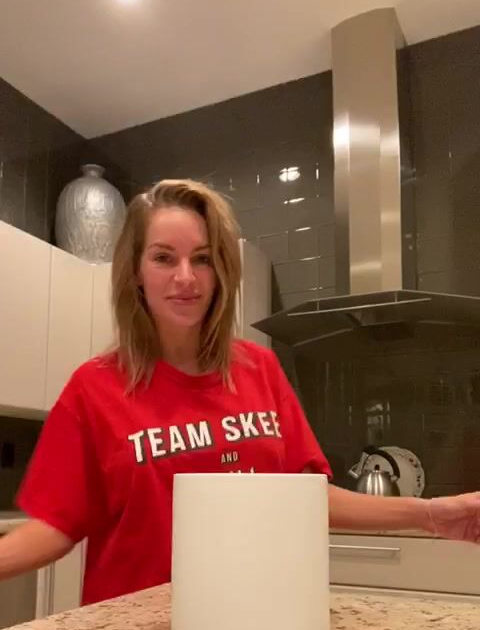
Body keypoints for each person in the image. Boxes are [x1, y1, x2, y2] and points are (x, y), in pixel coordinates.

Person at [1, 179, 479, 606]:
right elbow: (55, 524)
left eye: (202, 259)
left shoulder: (259, 369)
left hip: (250, 620)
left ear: (220, 272)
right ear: (135, 273)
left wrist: (434, 514)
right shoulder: (95, 387)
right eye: (164, 258)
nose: (185, 277)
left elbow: (308, 497)